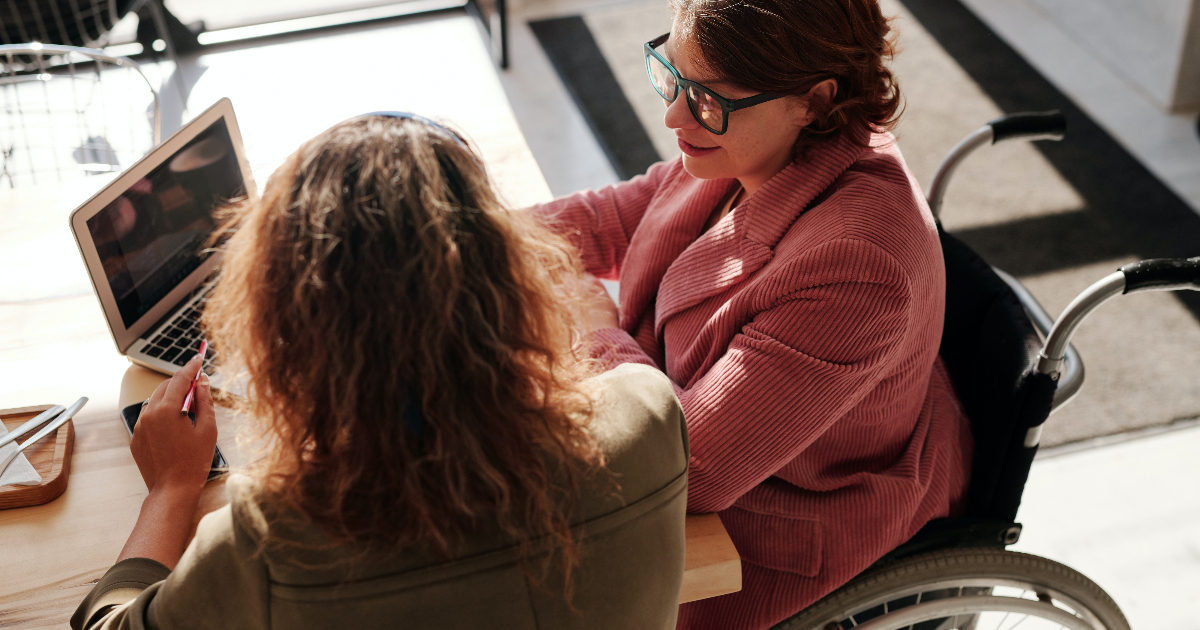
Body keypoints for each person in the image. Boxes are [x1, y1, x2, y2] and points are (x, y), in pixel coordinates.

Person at [72, 114, 690, 630]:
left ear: (287, 331)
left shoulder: (271, 540)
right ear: (512, 277)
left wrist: (172, 489)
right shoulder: (650, 415)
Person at [532, 1, 973, 628]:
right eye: (671, 76)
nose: (672, 114)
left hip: (769, 532)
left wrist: (591, 324)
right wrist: (462, 232)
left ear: (816, 99)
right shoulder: (751, 142)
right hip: (702, 439)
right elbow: (621, 214)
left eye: (707, 99)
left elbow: (695, 467)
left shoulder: (857, 264)